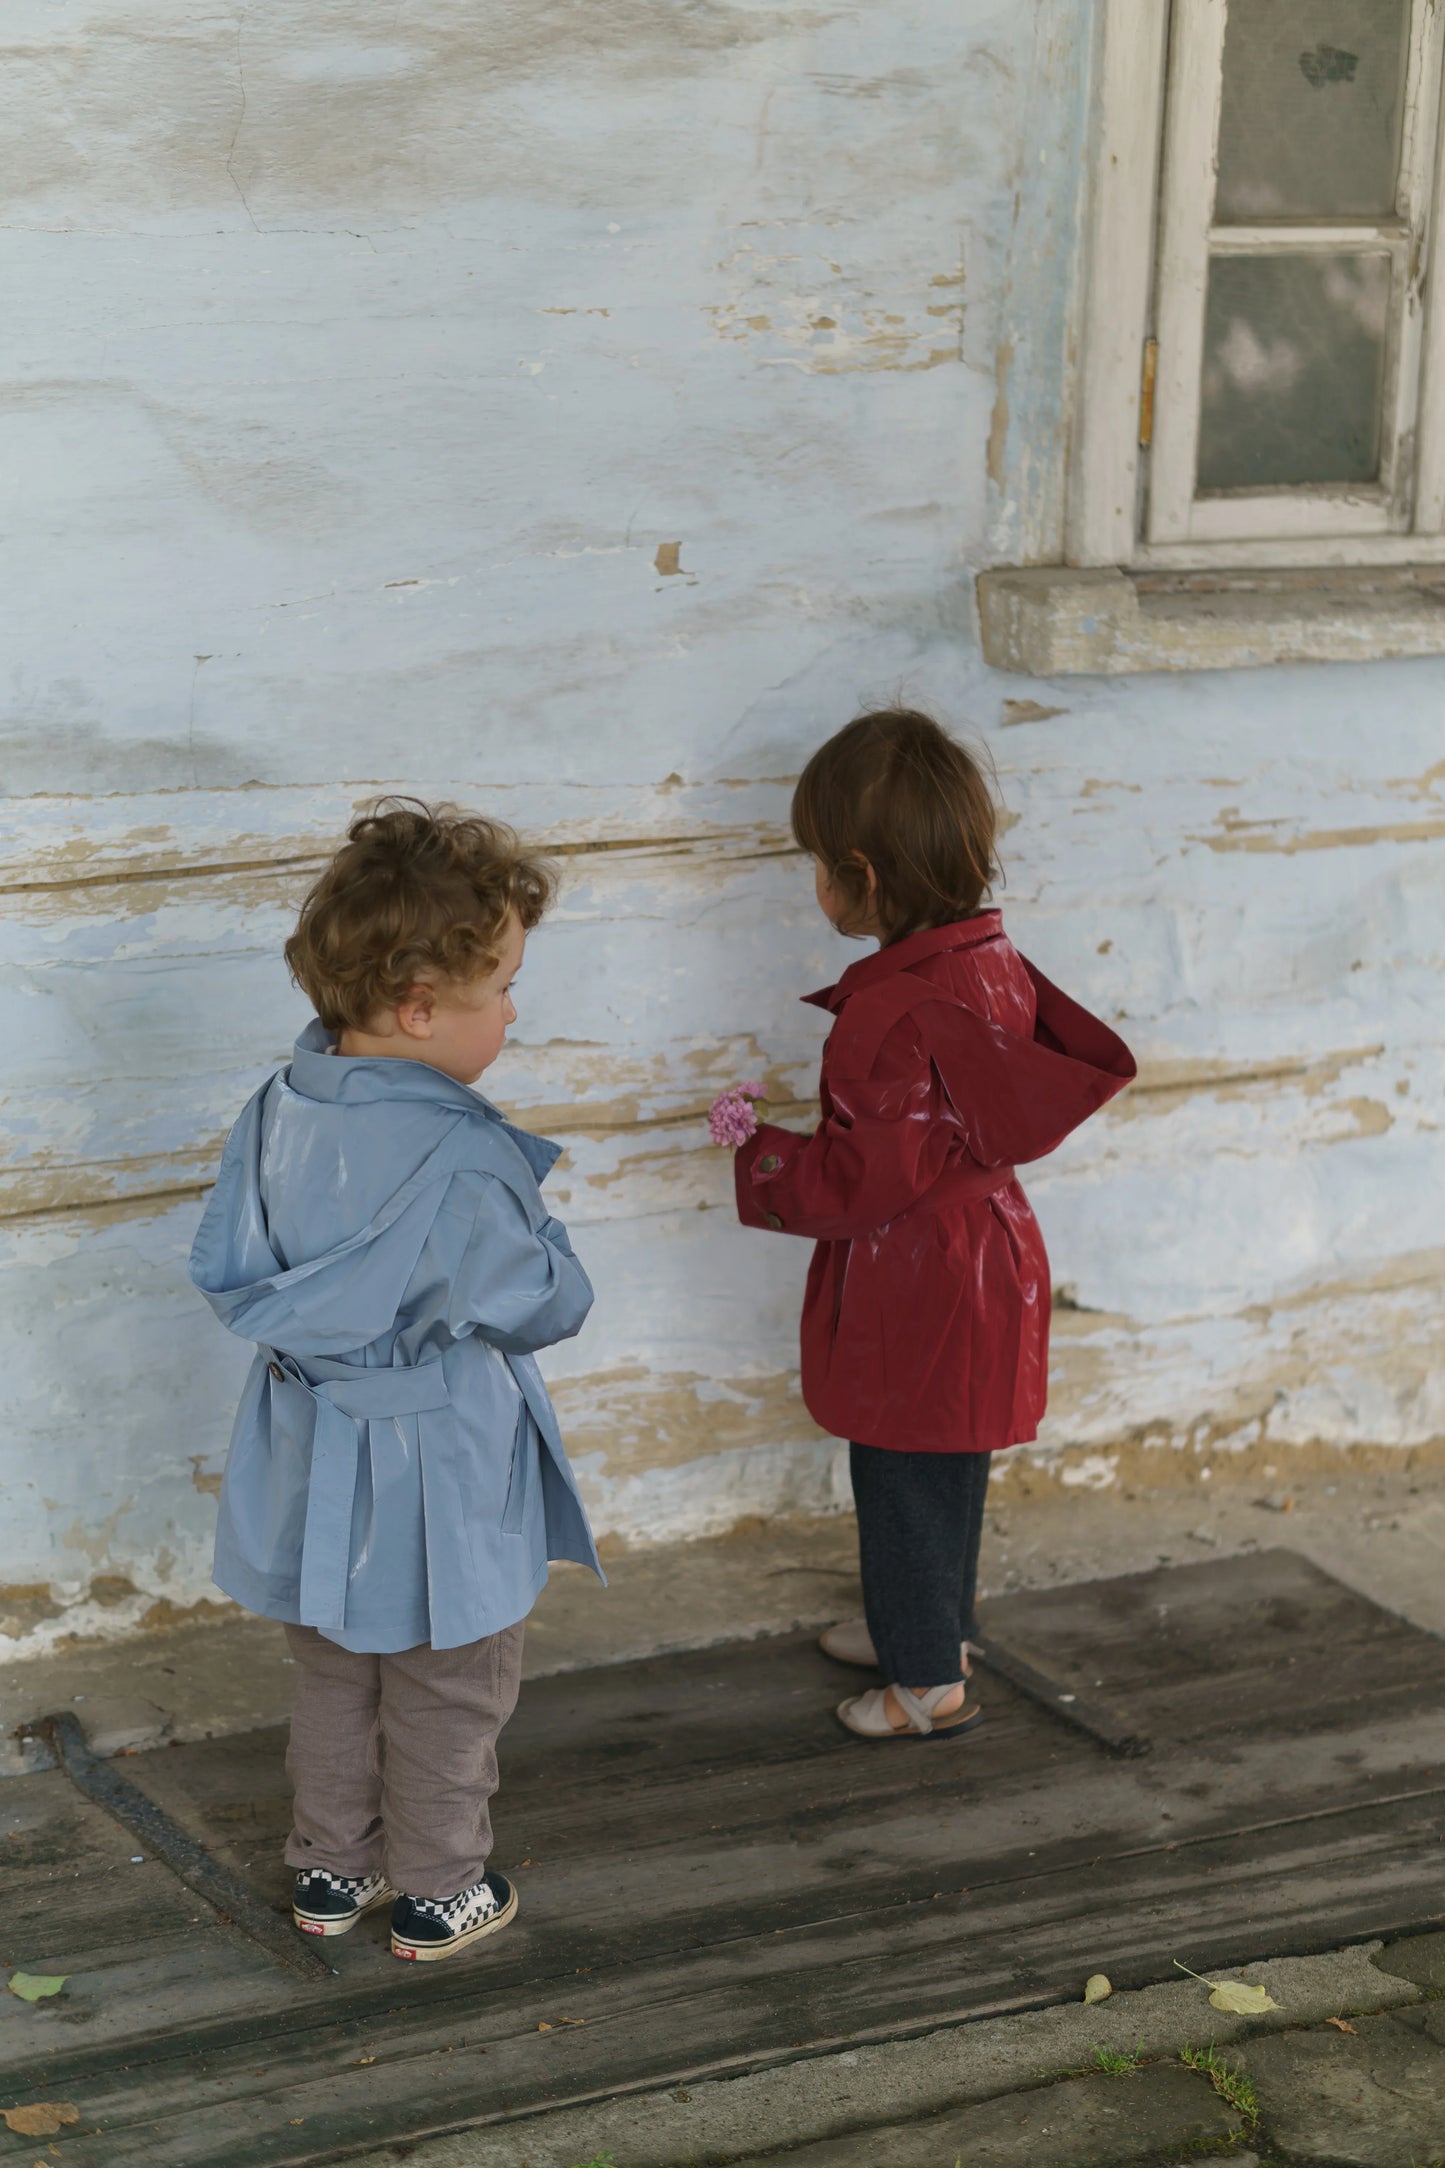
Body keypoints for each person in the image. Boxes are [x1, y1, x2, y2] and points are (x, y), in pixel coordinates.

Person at [190, 801, 600, 1958]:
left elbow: (230, 1259)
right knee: (448, 1675)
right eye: (504, 987)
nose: (515, 1012)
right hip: (437, 1466)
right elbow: (543, 1304)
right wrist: (554, 1242)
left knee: (332, 1666)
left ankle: (329, 1869)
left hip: (309, 1449)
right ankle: (437, 1887)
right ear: (421, 1006)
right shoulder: (465, 1153)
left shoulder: (275, 1109)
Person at [718, 710, 1134, 1742]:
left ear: (859, 871)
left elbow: (867, 1179)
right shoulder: (992, 962)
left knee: (898, 1467)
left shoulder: (887, 1012)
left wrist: (759, 1151)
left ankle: (921, 1686)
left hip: (916, 1270)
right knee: (950, 1456)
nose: (815, 879)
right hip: (990, 1247)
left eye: (818, 860)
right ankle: (933, 1627)